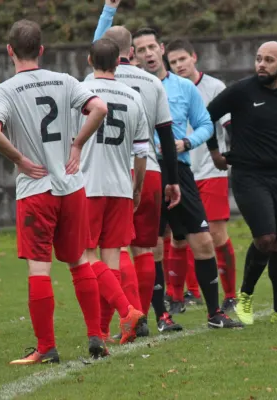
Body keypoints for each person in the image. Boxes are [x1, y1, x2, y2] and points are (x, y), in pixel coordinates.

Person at [0, 19, 108, 364]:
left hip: (36, 189)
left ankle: (47, 347)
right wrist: (77, 145)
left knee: (40, 269)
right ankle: (96, 336)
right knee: (80, 262)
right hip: (70, 186)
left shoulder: (5, 90)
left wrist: (20, 159)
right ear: (41, 50)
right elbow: (99, 108)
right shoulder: (66, 81)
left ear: (9, 50)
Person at [132, 27, 243, 329]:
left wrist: (188, 142)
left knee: (204, 242)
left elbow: (206, 124)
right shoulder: (132, 87)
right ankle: (161, 316)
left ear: (162, 49)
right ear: (134, 56)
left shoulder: (184, 87)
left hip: (179, 171)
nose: (148, 54)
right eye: (140, 50)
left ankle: (215, 314)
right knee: (153, 246)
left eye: (152, 47)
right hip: (148, 170)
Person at [90, 1, 184, 334]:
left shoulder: (88, 83)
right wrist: (173, 181)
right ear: (131, 50)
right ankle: (140, 317)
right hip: (151, 172)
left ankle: (128, 316)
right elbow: (165, 135)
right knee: (146, 247)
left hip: (109, 172)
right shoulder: (152, 82)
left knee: (111, 249)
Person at [206, 41, 277, 326]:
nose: (261, 64)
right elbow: (207, 115)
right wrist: (215, 153)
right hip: (249, 175)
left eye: (268, 60)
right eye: (258, 59)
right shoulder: (242, 90)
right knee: (265, 238)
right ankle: (245, 297)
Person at [76, 38, 150, 345]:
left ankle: (127, 311)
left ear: (90, 60)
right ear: (120, 61)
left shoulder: (81, 90)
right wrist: (137, 187)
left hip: (89, 184)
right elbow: (142, 150)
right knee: (110, 261)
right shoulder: (133, 96)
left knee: (84, 257)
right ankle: (106, 332)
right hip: (121, 186)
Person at [166, 39, 237, 313]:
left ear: (194, 57)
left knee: (216, 234)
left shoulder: (214, 87)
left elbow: (227, 125)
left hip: (210, 171)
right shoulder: (165, 89)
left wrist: (227, 155)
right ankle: (178, 296)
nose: (180, 65)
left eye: (183, 58)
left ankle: (230, 294)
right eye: (174, 62)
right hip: (180, 172)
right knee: (179, 237)